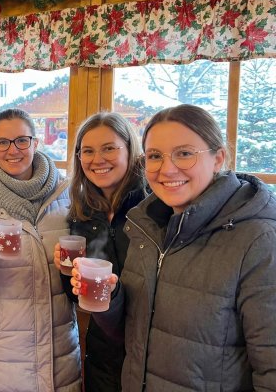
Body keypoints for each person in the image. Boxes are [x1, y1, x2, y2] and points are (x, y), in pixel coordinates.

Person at [71, 104, 276, 391]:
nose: (167, 168)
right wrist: (110, 294)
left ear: (219, 158)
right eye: (156, 156)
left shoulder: (259, 238)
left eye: (184, 153)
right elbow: (135, 333)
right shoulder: (148, 228)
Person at [0, 108, 82, 391]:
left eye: (22, 140)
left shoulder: (66, 196)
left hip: (58, 347)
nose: (13, 150)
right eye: (3, 142)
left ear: (35, 143)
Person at [52, 112, 146, 392]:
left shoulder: (154, 208)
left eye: (109, 148)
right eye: (88, 151)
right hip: (103, 355)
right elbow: (79, 298)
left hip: (151, 353)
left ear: (130, 150)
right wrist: (68, 272)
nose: (97, 159)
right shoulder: (83, 214)